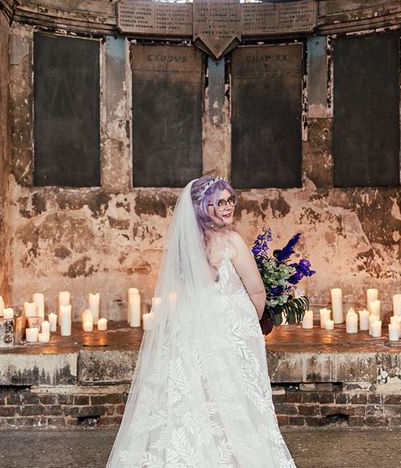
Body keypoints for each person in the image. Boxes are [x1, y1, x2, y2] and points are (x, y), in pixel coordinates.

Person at [106, 176, 296, 467]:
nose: (228, 207)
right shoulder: (232, 241)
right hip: (229, 336)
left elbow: (183, 295)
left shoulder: (186, 245)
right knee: (231, 399)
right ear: (202, 207)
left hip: (192, 333)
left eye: (230, 200)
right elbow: (257, 291)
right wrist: (247, 328)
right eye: (219, 202)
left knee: (193, 400)